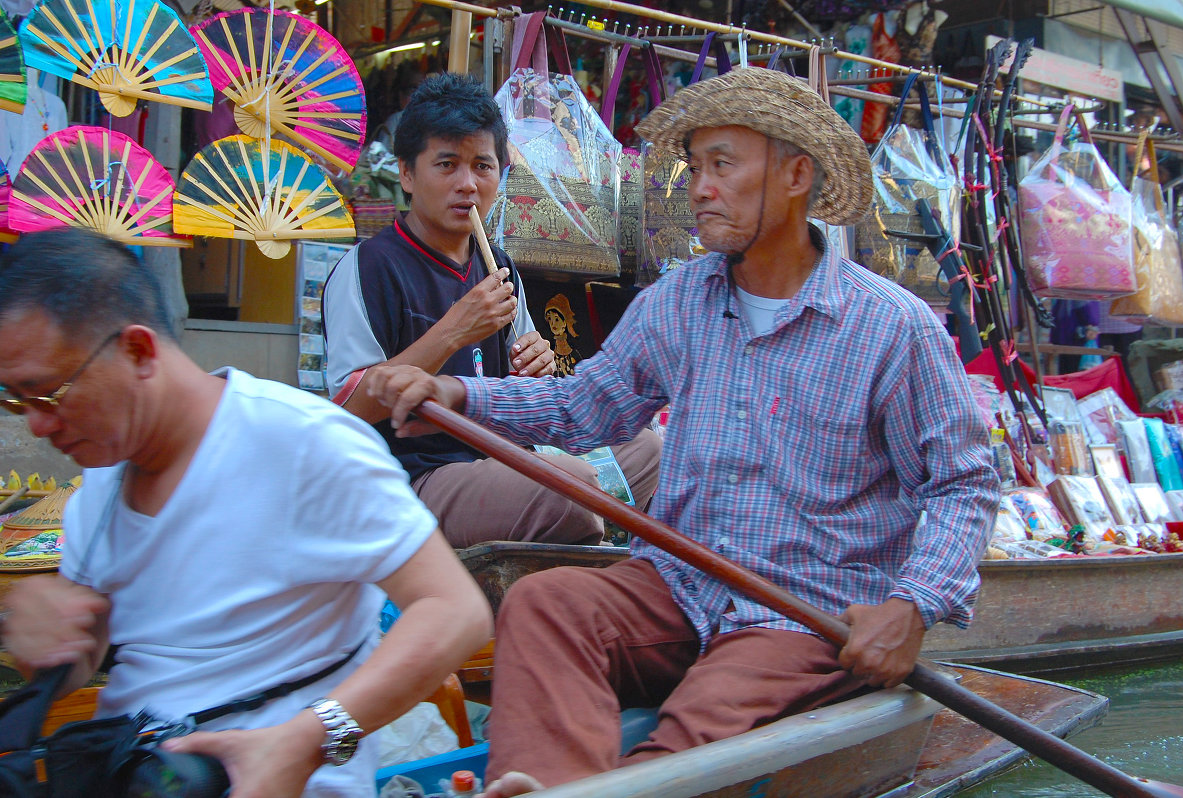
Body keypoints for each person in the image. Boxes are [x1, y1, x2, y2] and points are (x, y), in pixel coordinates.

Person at [364, 67, 1001, 796]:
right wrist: (455, 390)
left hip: (799, 615)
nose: (698, 186)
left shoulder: (892, 326)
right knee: (546, 603)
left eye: (723, 165)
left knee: (700, 723)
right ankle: (540, 784)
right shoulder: (681, 299)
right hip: (679, 587)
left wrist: (912, 606)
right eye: (695, 166)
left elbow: (963, 483)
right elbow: (582, 410)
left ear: (795, 175)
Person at [0, 229, 492, 798]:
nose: (36, 423)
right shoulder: (105, 479)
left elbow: (456, 612)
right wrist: (48, 635)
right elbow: (98, 648)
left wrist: (306, 739)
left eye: (49, 394)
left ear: (137, 351)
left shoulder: (301, 442)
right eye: (15, 400)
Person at [323, 72, 660, 549]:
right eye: (446, 165)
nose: (467, 184)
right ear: (406, 173)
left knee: (648, 448)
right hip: (418, 478)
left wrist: (535, 370)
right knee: (570, 486)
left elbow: (526, 395)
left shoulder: (497, 266)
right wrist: (454, 331)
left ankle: (582, 537)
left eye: (483, 166)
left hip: (506, 457)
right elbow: (347, 414)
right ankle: (583, 539)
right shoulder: (370, 267)